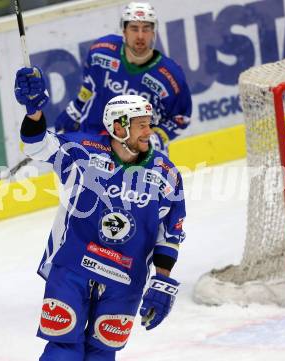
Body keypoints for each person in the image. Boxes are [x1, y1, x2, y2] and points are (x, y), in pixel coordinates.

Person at [14, 66, 186, 361]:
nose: (149, 131)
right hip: (73, 267)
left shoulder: (165, 172)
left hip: (125, 278)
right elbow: (38, 145)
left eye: (148, 124)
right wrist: (34, 113)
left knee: (102, 355)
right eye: (141, 125)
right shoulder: (82, 152)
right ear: (119, 128)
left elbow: (169, 233)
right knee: (62, 350)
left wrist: (163, 279)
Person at [54, 1, 192, 155]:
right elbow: (89, 86)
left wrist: (156, 138)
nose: (140, 36)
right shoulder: (101, 52)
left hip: (139, 151)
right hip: (95, 141)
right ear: (124, 31)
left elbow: (180, 118)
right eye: (134, 28)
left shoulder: (170, 76)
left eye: (146, 29)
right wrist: (75, 109)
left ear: (153, 32)